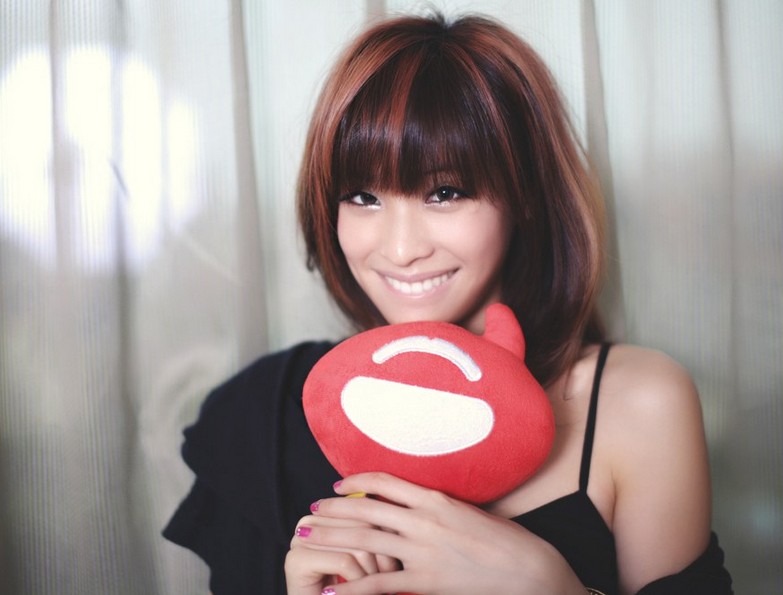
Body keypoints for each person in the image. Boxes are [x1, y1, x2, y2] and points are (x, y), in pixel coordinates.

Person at [163, 13, 733, 595]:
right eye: (363, 196)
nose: (401, 249)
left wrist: (554, 588)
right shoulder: (263, 416)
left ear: (525, 195)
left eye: (444, 192)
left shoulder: (637, 403)